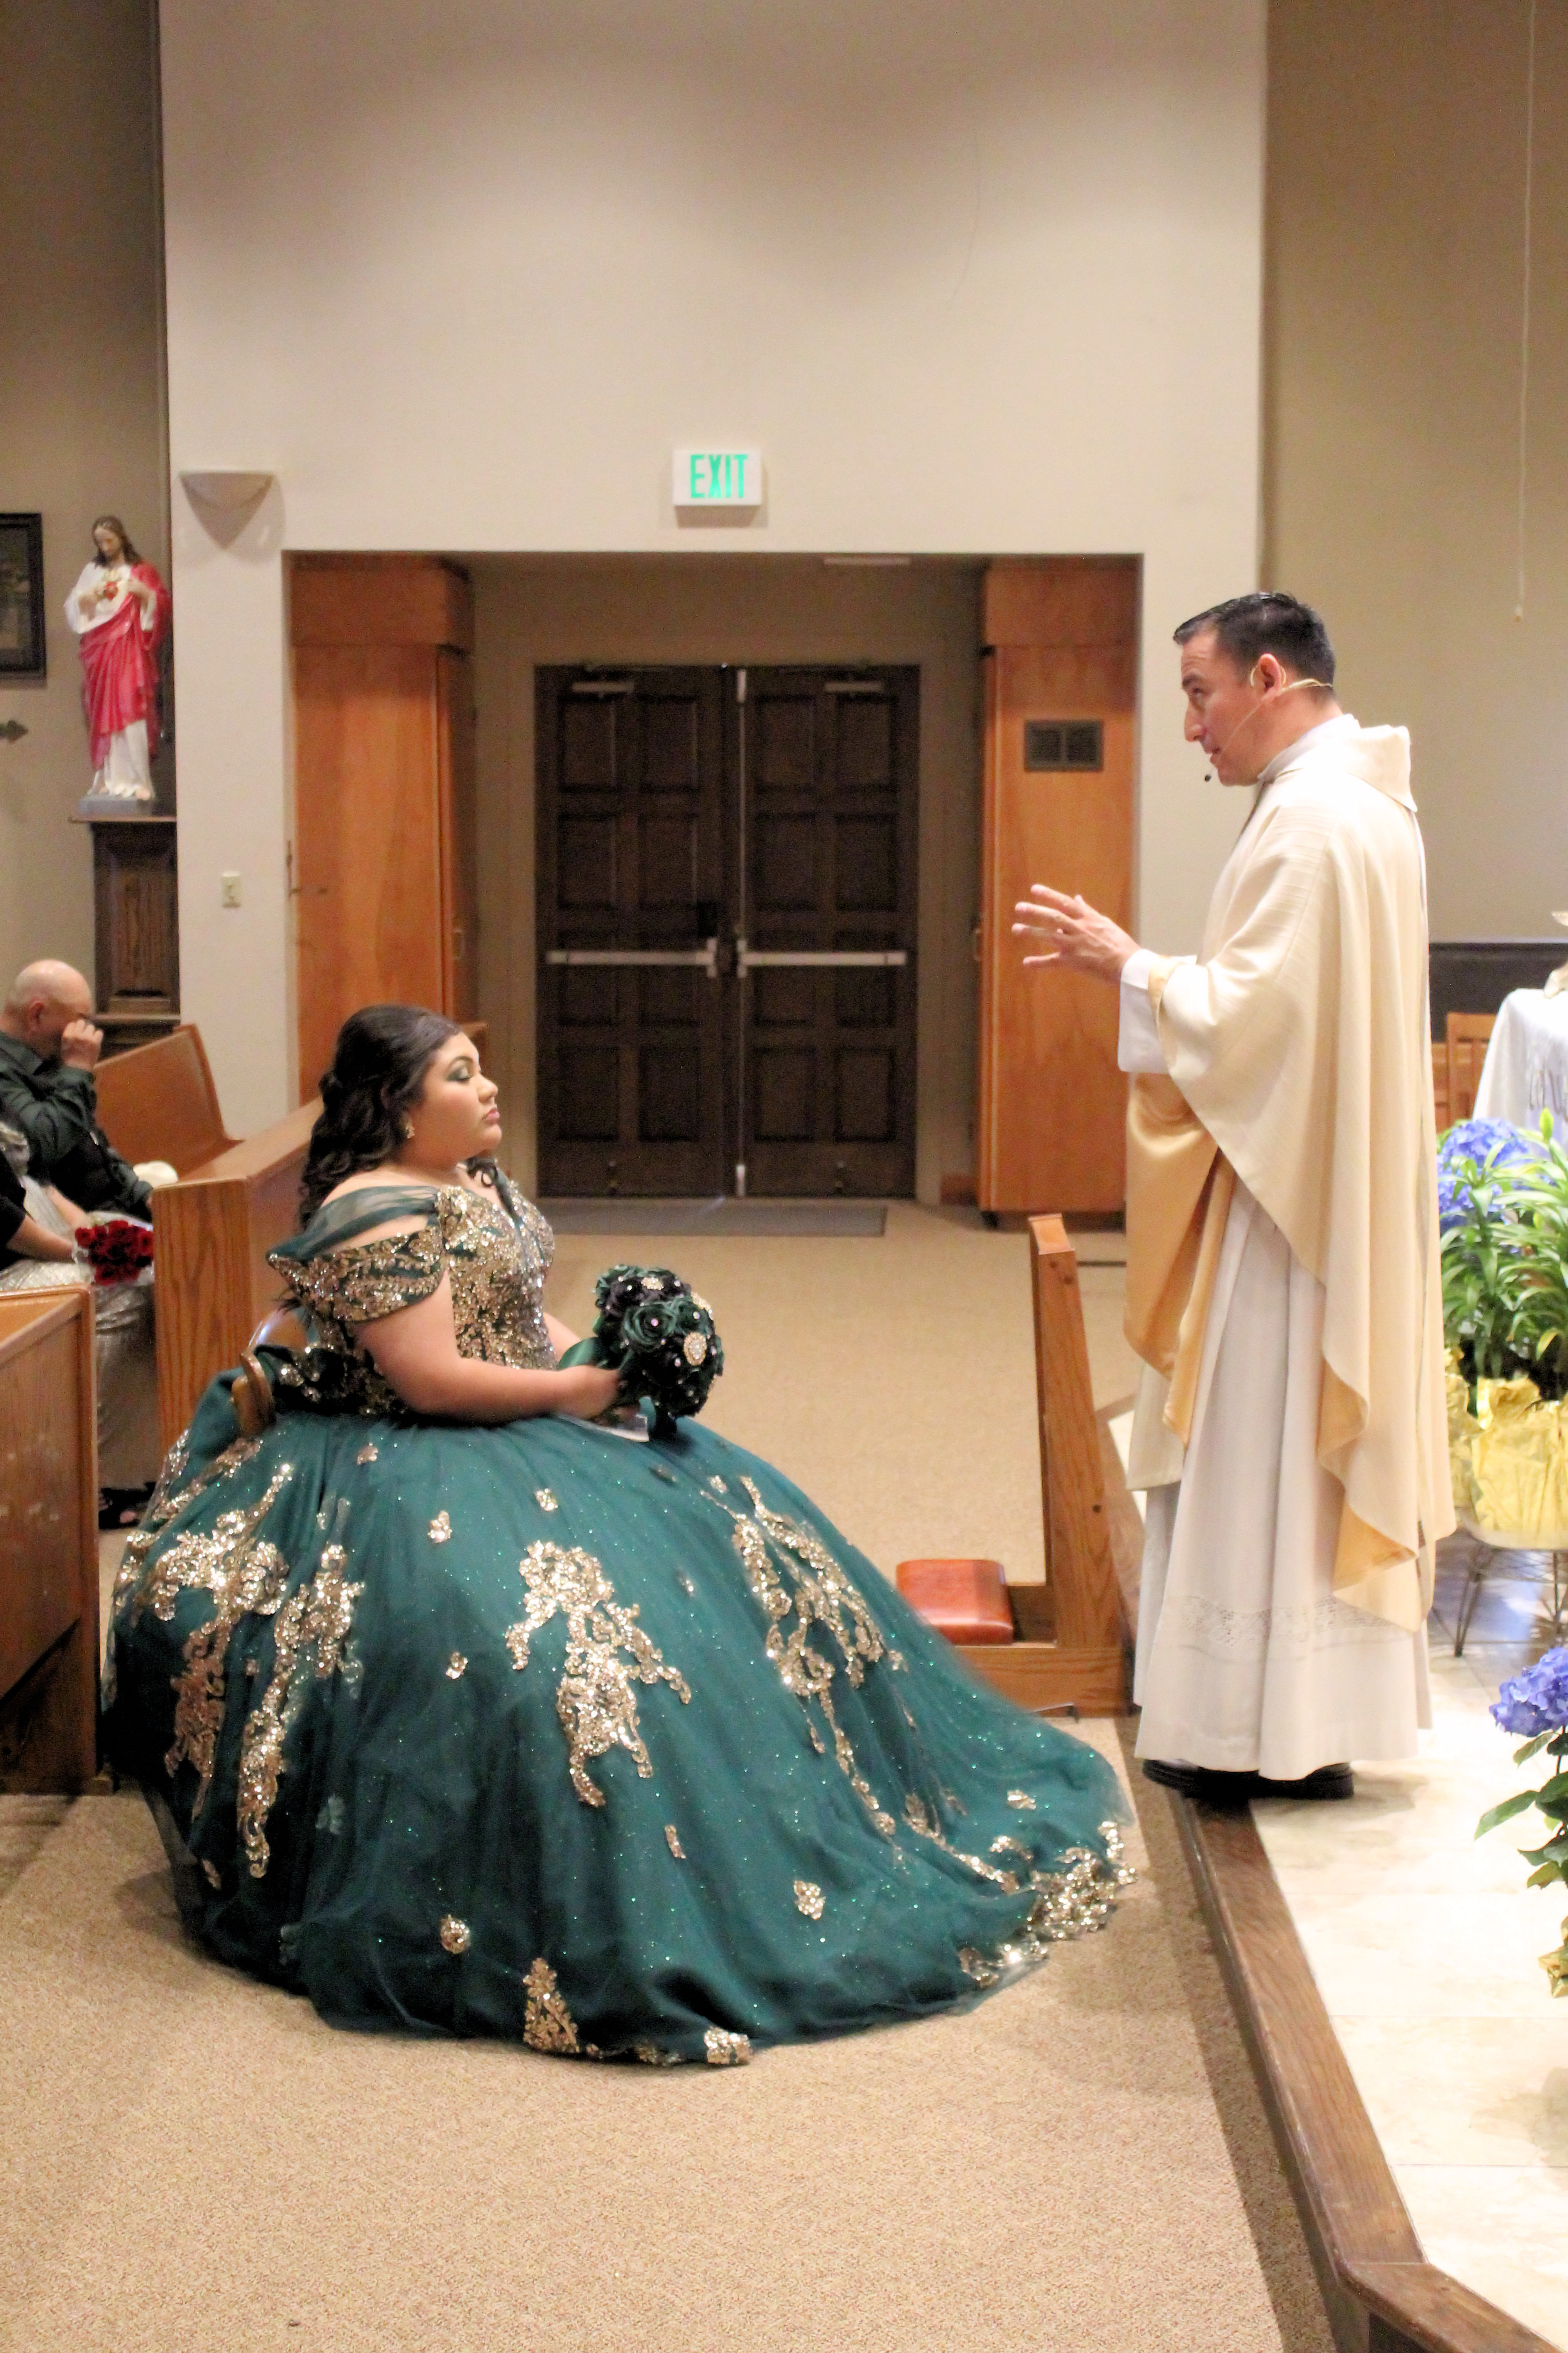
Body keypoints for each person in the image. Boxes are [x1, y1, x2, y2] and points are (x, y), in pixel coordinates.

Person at [104, 1005, 1129, 2063]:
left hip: (523, 1410)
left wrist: (607, 1363)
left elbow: (516, 1315)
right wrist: (574, 1391)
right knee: (551, 1654)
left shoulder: (470, 1176)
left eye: (480, 1068)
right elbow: (430, 1379)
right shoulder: (372, 1210)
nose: (488, 1088)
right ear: (400, 1107)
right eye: (460, 1074)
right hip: (408, 1458)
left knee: (738, 1540)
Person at [1013, 592, 1450, 1804]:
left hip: (1287, 1204)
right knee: (1285, 1465)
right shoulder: (1361, 801)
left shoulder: (1315, 818)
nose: (1191, 727)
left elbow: (1255, 1023)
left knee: (1262, 1445)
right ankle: (1297, 1724)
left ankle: (1247, 1732)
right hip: (1314, 1175)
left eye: (1200, 695)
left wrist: (1132, 966)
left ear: (1267, 678)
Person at [0, 961, 151, 1218]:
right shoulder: (6, 1072)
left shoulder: (48, 1059)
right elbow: (40, 1146)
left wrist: (144, 1196)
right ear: (37, 1015)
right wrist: (78, 1069)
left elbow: (93, 1147)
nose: (89, 1034)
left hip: (115, 1208)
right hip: (79, 1224)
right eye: (81, 1021)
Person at [64, 514, 171, 803]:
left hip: (130, 650)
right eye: (100, 542)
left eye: (109, 540)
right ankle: (108, 778)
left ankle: (138, 778)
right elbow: (74, 605)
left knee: (131, 706)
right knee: (103, 713)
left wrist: (146, 595)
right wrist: (85, 600)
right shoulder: (92, 571)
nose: (105, 546)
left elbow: (162, 604)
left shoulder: (141, 570)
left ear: (121, 537)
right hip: (101, 652)